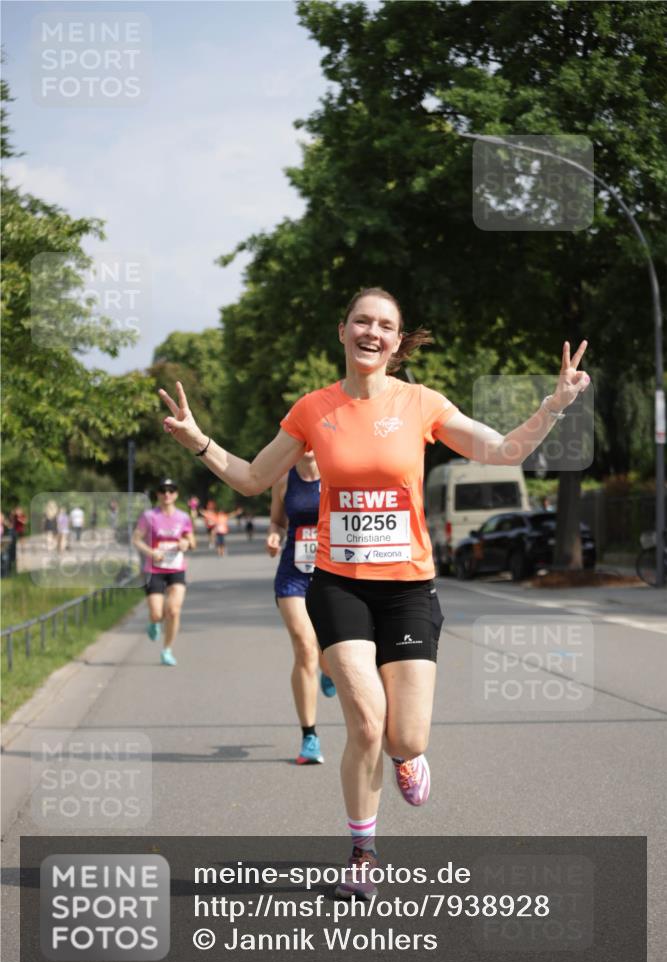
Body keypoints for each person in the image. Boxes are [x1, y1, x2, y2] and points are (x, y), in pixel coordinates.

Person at [159, 286, 590, 898]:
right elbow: (254, 478)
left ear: (396, 339)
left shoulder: (421, 403)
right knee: (365, 721)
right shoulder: (313, 409)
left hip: (409, 588)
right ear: (343, 331)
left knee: (403, 736)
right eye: (362, 321)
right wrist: (199, 441)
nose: (372, 332)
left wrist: (554, 404)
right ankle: (362, 853)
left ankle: (409, 756)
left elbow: (503, 450)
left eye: (385, 325)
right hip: (338, 586)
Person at [266, 452, 336, 766]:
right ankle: (309, 736)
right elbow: (278, 523)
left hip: (332, 575)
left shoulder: (338, 472)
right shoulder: (283, 479)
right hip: (293, 575)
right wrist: (273, 536)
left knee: (329, 653)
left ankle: (328, 669)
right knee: (305, 647)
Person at [132, 477, 196, 667]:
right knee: (156, 613)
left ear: (176, 494)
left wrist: (186, 543)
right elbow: (136, 539)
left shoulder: (183, 517)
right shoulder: (149, 516)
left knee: (174, 611)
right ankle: (154, 622)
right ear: (158, 494)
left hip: (176, 568)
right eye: (162, 490)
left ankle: (167, 650)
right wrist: (151, 553)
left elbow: (192, 542)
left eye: (170, 490)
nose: (166, 494)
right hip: (154, 569)